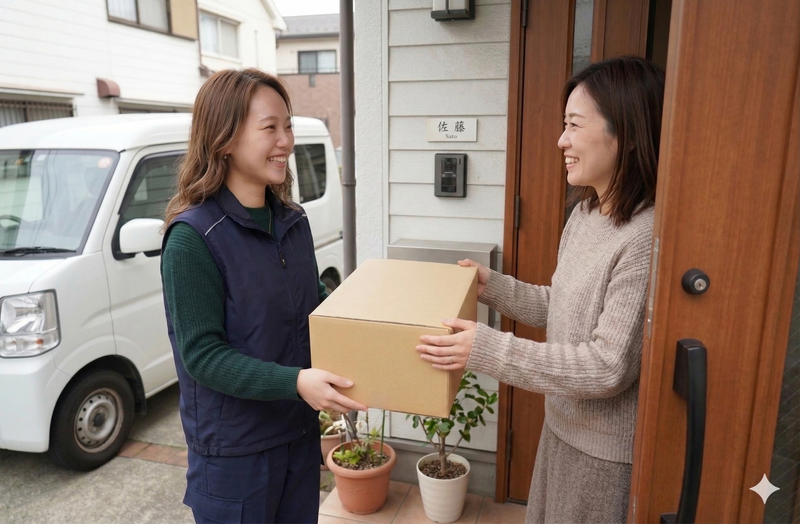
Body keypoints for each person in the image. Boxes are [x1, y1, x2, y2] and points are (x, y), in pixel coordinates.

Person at [415, 56, 665, 523]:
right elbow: (561, 306)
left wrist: (488, 349)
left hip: (604, 457)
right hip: (560, 431)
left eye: (574, 125)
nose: (561, 140)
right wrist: (493, 286)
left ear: (627, 134)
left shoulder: (645, 238)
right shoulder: (586, 213)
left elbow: (608, 366)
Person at [160, 68, 367, 524]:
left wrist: (368, 334)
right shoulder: (193, 238)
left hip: (296, 435)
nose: (286, 141)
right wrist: (296, 383)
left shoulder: (292, 221)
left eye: (287, 126)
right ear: (225, 139)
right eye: (269, 127)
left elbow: (314, 308)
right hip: (235, 456)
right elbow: (202, 356)